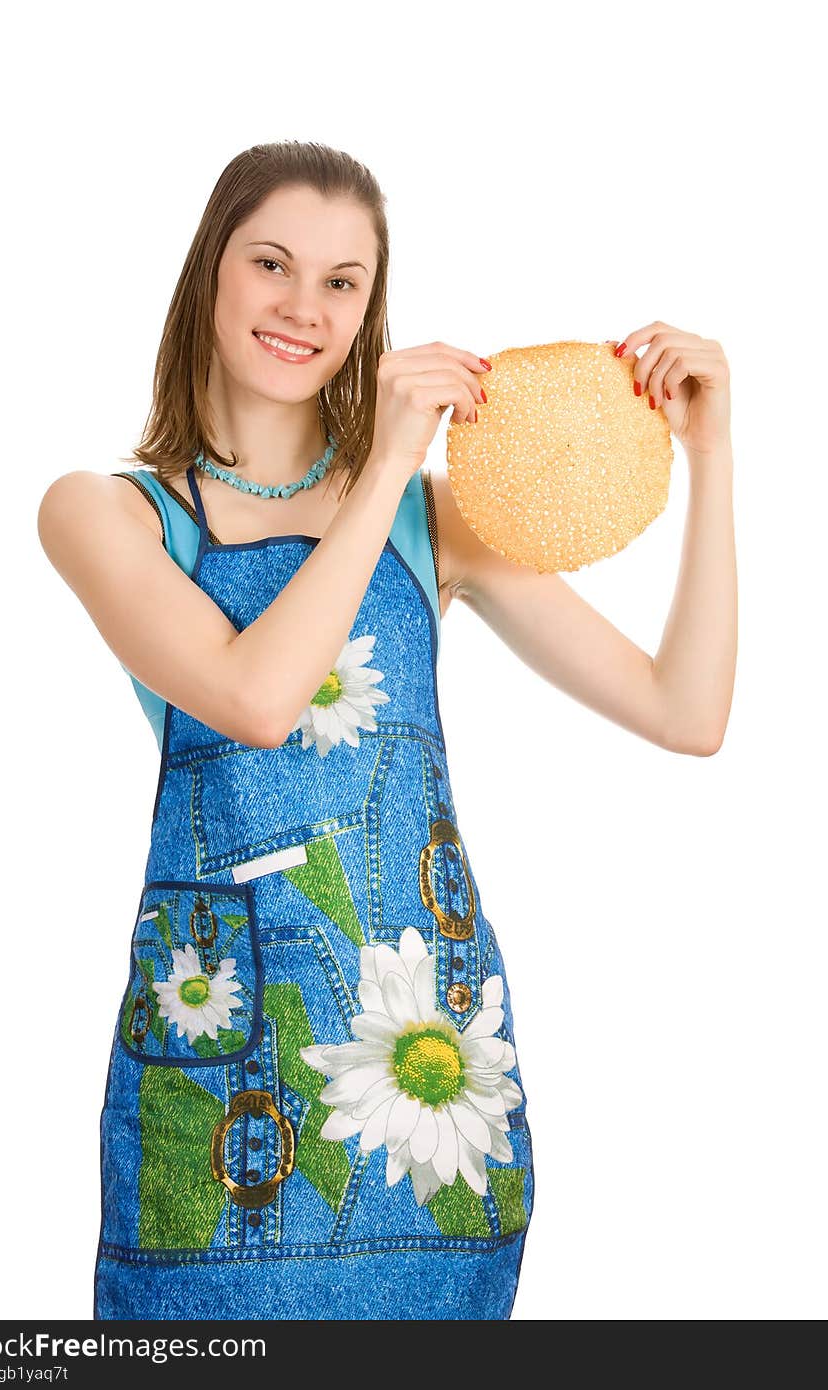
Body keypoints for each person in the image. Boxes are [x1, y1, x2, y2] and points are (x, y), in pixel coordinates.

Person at [37, 141, 736, 1321]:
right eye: (272, 263)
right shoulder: (109, 514)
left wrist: (710, 452)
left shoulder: (431, 520)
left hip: (430, 1081)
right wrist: (387, 464)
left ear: (370, 310)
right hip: (228, 1090)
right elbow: (256, 698)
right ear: (210, 271)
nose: (303, 307)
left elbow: (688, 709)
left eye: (343, 282)